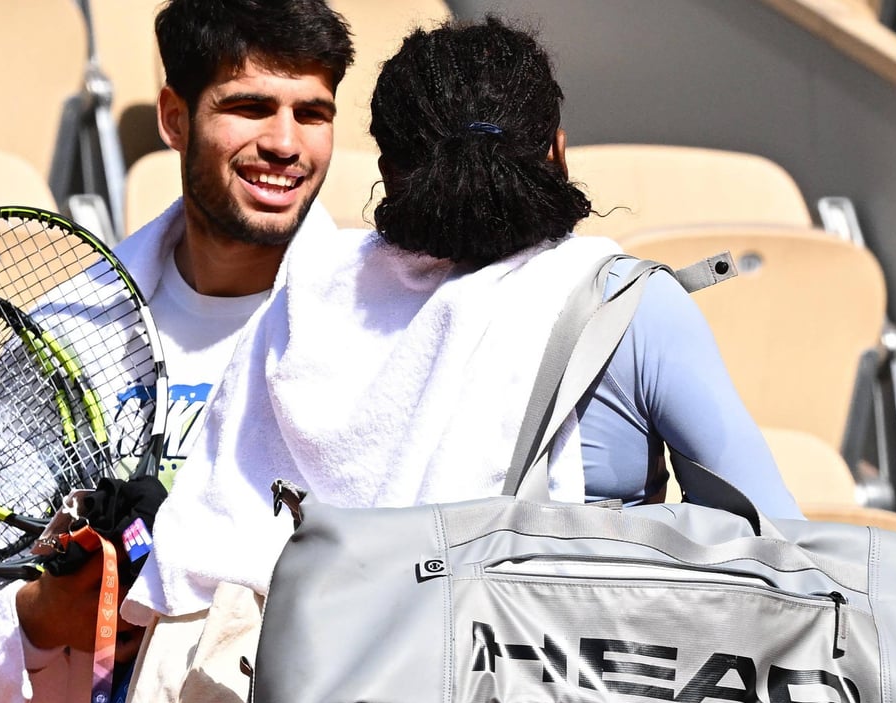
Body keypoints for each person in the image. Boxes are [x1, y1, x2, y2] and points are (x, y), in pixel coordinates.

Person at [135, 11, 803, 645]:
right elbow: (778, 547)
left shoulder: (304, 296)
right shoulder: (628, 308)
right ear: (557, 152)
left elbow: (211, 541)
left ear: (388, 172)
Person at [0, 1, 354, 703]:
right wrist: (62, 609)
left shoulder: (372, 330)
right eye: (249, 107)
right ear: (174, 118)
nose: (285, 142)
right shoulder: (66, 331)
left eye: (312, 113)